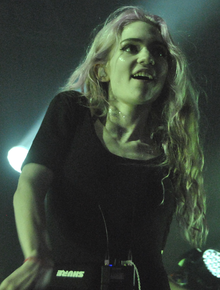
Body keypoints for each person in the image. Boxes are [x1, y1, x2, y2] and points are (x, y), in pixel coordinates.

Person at [0, 6, 208, 290]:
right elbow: (30, 185)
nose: (146, 57)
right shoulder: (71, 111)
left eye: (158, 51)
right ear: (103, 70)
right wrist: (36, 256)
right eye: (131, 48)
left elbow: (154, 248)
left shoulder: (173, 147)